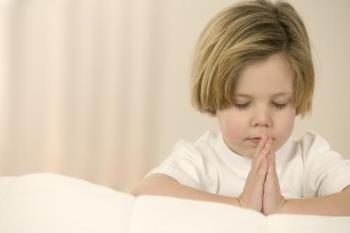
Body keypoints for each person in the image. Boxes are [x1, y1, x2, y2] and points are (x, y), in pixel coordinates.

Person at [131, 0, 350, 216]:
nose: (262, 119)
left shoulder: (308, 157)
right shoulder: (201, 159)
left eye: (279, 103)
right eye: (242, 104)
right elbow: (145, 191)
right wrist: (240, 204)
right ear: (214, 101)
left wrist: (283, 207)